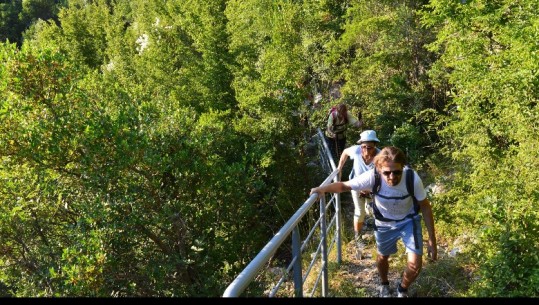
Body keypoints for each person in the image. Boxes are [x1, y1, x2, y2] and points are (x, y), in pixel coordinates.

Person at [310, 146, 437, 298]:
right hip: (384, 224)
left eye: (396, 172)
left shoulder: (412, 178)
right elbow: (344, 185)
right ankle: (384, 284)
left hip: (408, 221)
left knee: (415, 264)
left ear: (403, 167)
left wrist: (432, 239)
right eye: (387, 172)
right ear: (378, 168)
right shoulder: (372, 177)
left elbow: (425, 206)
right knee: (383, 257)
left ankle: (402, 289)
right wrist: (322, 189)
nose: (392, 177)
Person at [337, 130, 381, 252]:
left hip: (373, 187)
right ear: (360, 146)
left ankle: (379, 235)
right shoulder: (356, 150)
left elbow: (382, 177)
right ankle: (358, 237)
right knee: (360, 211)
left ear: (375, 145)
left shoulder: (380, 156)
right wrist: (339, 168)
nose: (366, 150)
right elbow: (345, 152)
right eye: (363, 147)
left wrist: (369, 191)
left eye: (369, 147)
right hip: (356, 185)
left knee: (375, 210)